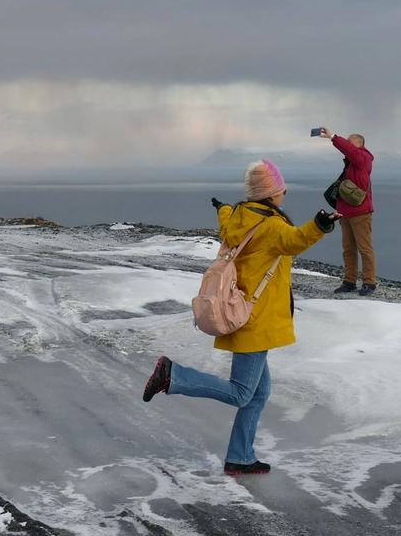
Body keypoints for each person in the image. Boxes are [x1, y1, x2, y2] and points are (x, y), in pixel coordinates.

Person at [141, 160, 336, 476]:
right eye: (281, 188)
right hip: (254, 320)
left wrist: (221, 208)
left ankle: (240, 456)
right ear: (272, 193)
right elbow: (296, 240)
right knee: (242, 392)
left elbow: (226, 219)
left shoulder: (239, 216)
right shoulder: (272, 227)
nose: (284, 192)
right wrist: (321, 224)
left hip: (241, 311)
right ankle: (172, 375)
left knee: (258, 394)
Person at [319, 128, 377, 295]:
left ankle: (369, 283)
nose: (347, 145)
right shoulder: (352, 164)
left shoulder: (363, 159)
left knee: (364, 249)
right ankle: (349, 281)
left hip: (361, 212)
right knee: (348, 249)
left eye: (350, 142)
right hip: (345, 212)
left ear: (359, 145)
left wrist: (333, 137)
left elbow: (350, 150)